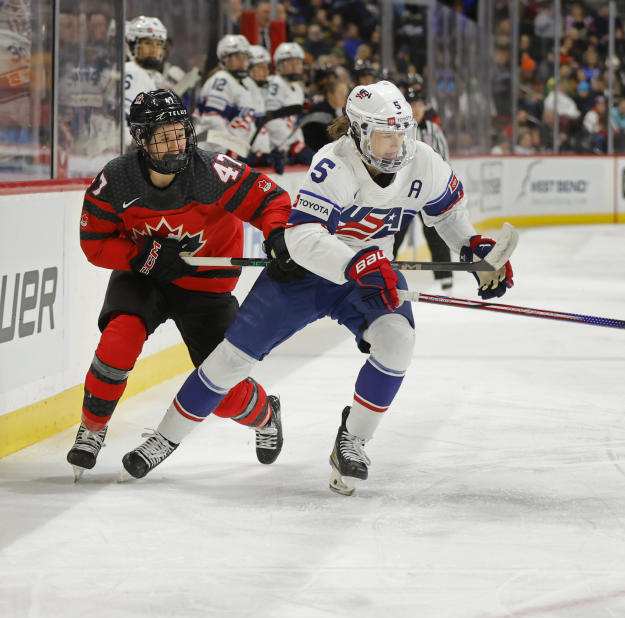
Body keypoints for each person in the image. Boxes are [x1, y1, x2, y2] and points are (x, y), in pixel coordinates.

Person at [119, 81, 516, 493]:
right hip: (307, 274)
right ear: (359, 133)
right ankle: (164, 437)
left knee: (398, 341)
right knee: (229, 360)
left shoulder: (423, 162)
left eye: (402, 132)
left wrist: (475, 248)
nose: (397, 145)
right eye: (385, 135)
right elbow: (303, 237)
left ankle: (354, 439)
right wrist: (354, 262)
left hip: (369, 273)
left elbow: (448, 214)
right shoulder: (334, 163)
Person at [67, 89, 290, 480]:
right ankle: (92, 428)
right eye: (163, 135)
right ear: (141, 139)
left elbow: (271, 200)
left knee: (223, 395)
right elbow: (94, 243)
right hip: (145, 278)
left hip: (206, 288)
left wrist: (277, 235)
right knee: (119, 338)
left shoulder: (211, 172)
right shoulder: (116, 180)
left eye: (179, 132)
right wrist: (140, 257)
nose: (176, 142)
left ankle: (267, 414)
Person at [392, 84, 453, 289]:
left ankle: (445, 279)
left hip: (427, 192)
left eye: (419, 105)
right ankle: (382, 274)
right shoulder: (396, 130)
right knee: (393, 233)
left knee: (435, 231)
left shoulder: (433, 129)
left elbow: (443, 160)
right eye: (412, 104)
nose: (416, 109)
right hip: (401, 194)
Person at [194, 35, 262, 158]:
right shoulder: (221, 80)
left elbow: (247, 125)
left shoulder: (244, 83)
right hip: (211, 155)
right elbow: (213, 123)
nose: (242, 62)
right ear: (225, 59)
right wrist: (228, 153)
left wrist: (258, 152)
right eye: (237, 57)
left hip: (230, 154)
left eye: (245, 57)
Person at [264, 42, 315, 167]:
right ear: (279, 65)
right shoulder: (274, 84)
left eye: (298, 62)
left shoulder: (298, 88)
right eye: (290, 62)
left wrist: (299, 144)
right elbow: (271, 121)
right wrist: (295, 146)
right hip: (273, 148)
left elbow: (295, 123)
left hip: (288, 149)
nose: (295, 66)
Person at [123, 16, 167, 148]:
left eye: (158, 44)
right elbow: (126, 119)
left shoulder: (154, 76)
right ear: (133, 46)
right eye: (148, 43)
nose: (154, 50)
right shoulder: (132, 71)